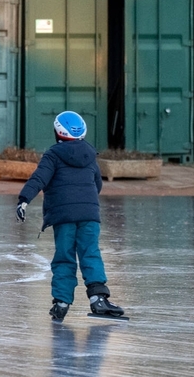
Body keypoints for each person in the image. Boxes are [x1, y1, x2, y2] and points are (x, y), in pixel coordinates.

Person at [16, 111, 125, 321]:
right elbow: (97, 185)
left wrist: (23, 200)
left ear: (57, 132)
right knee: (90, 253)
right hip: (89, 215)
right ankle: (99, 299)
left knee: (64, 256)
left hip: (64, 216)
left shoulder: (53, 155)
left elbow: (39, 179)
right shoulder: (90, 155)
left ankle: (61, 301)